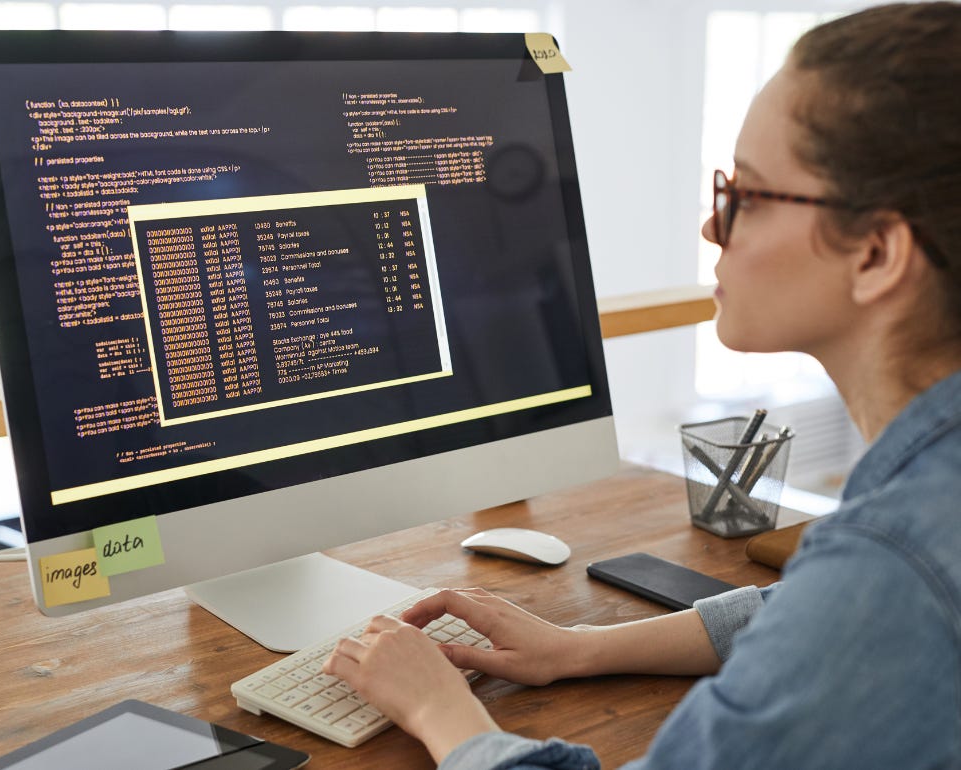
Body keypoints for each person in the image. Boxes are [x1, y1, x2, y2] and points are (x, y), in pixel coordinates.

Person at [323, 3, 961, 768]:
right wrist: (580, 647)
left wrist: (442, 711)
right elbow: (816, 614)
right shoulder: (906, 528)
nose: (712, 228)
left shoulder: (895, 561)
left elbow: (870, 596)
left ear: (877, 254)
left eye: (747, 196)